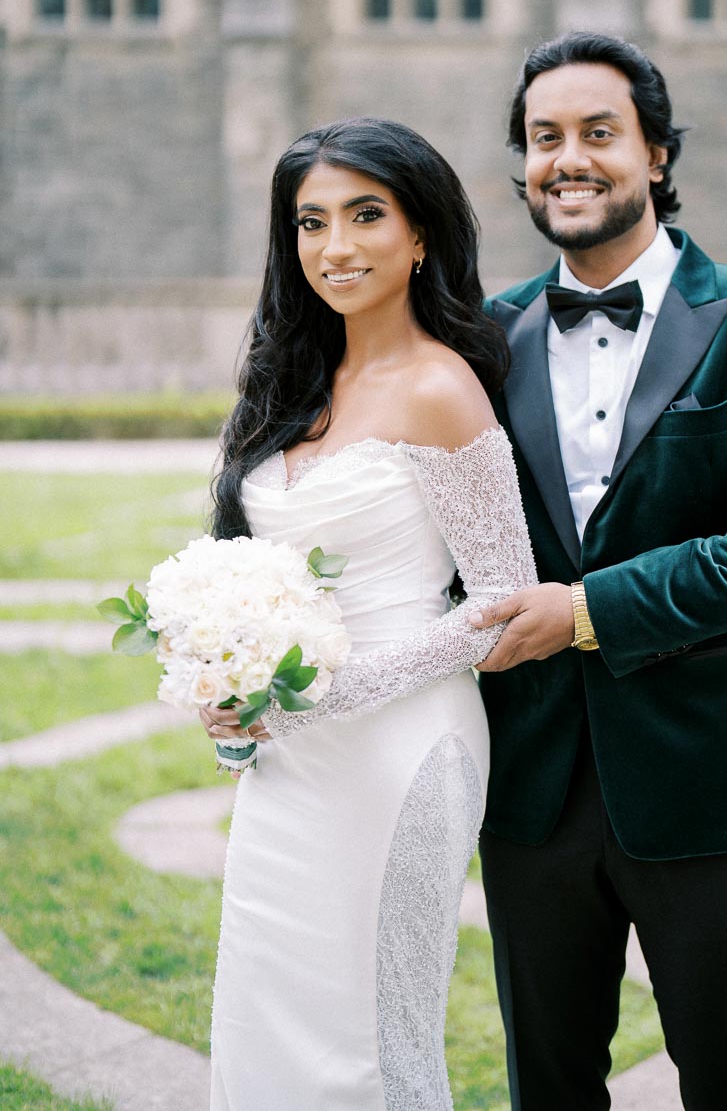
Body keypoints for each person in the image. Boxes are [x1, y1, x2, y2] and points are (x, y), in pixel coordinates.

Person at [470, 32, 727, 1111]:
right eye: (544, 138)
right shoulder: (479, 339)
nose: (568, 159)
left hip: (710, 780)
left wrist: (586, 611)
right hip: (531, 789)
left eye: (599, 133)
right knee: (547, 1088)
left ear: (657, 156)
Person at [199, 116, 536, 1110]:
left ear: (421, 233)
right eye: (310, 223)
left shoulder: (442, 387)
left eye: (364, 216)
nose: (334, 247)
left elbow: (503, 600)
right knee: (267, 1000)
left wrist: (333, 693)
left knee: (373, 1034)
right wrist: (228, 682)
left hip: (402, 746)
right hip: (290, 760)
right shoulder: (294, 383)